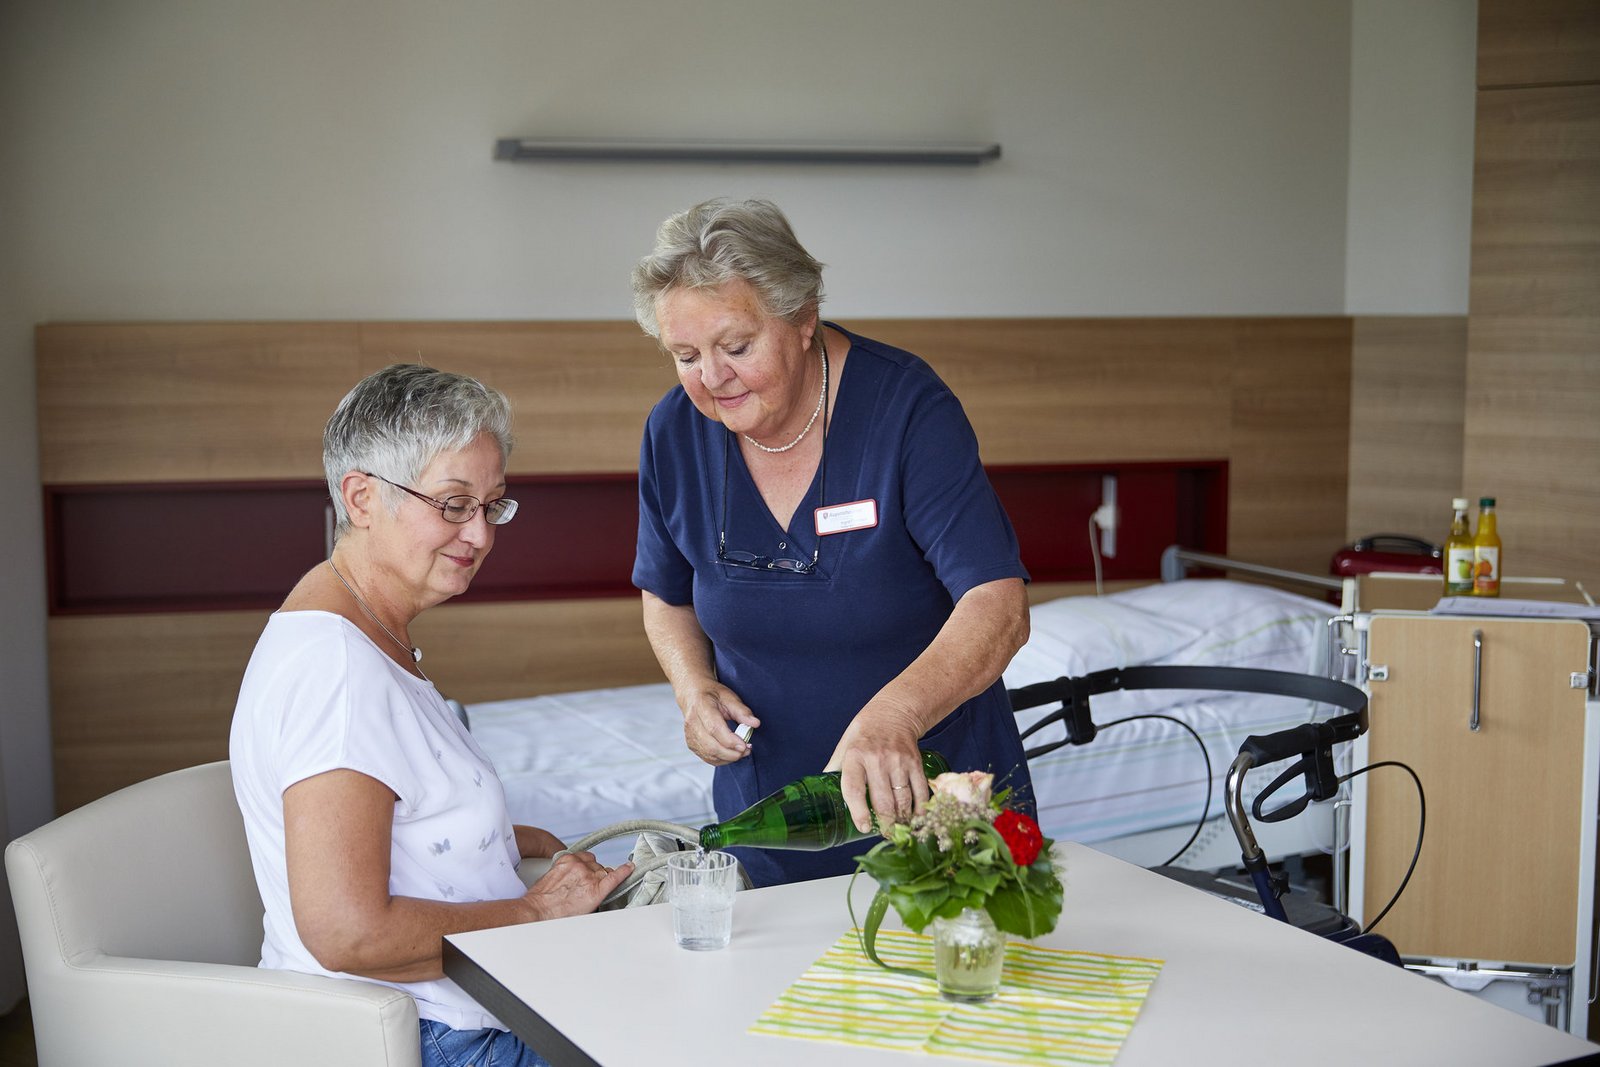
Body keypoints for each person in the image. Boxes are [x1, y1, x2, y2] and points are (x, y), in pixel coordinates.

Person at [230, 364, 631, 1067]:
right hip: (426, 1039)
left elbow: (383, 813)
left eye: (493, 504)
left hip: (449, 1018)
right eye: (453, 504)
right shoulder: (337, 671)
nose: (480, 535)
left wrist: (491, 838)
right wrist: (539, 911)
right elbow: (347, 933)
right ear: (361, 496)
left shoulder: (360, 633)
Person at [630, 198, 1035, 887]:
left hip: (939, 815)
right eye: (686, 355)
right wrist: (692, 688)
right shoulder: (674, 432)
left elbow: (999, 604)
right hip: (771, 826)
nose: (713, 377)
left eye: (736, 346)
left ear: (803, 316)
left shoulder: (905, 409)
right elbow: (665, 595)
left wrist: (894, 716)